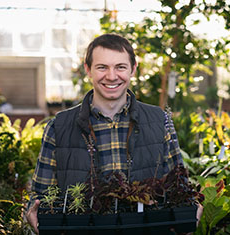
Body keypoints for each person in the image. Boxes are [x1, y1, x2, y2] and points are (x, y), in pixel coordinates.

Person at [26, 33, 187, 234]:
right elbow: (42, 194)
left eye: (120, 67)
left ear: (133, 69)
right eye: (102, 67)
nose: (111, 76)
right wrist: (33, 211)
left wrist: (190, 207)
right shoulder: (59, 127)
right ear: (88, 70)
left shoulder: (159, 121)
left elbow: (179, 185)